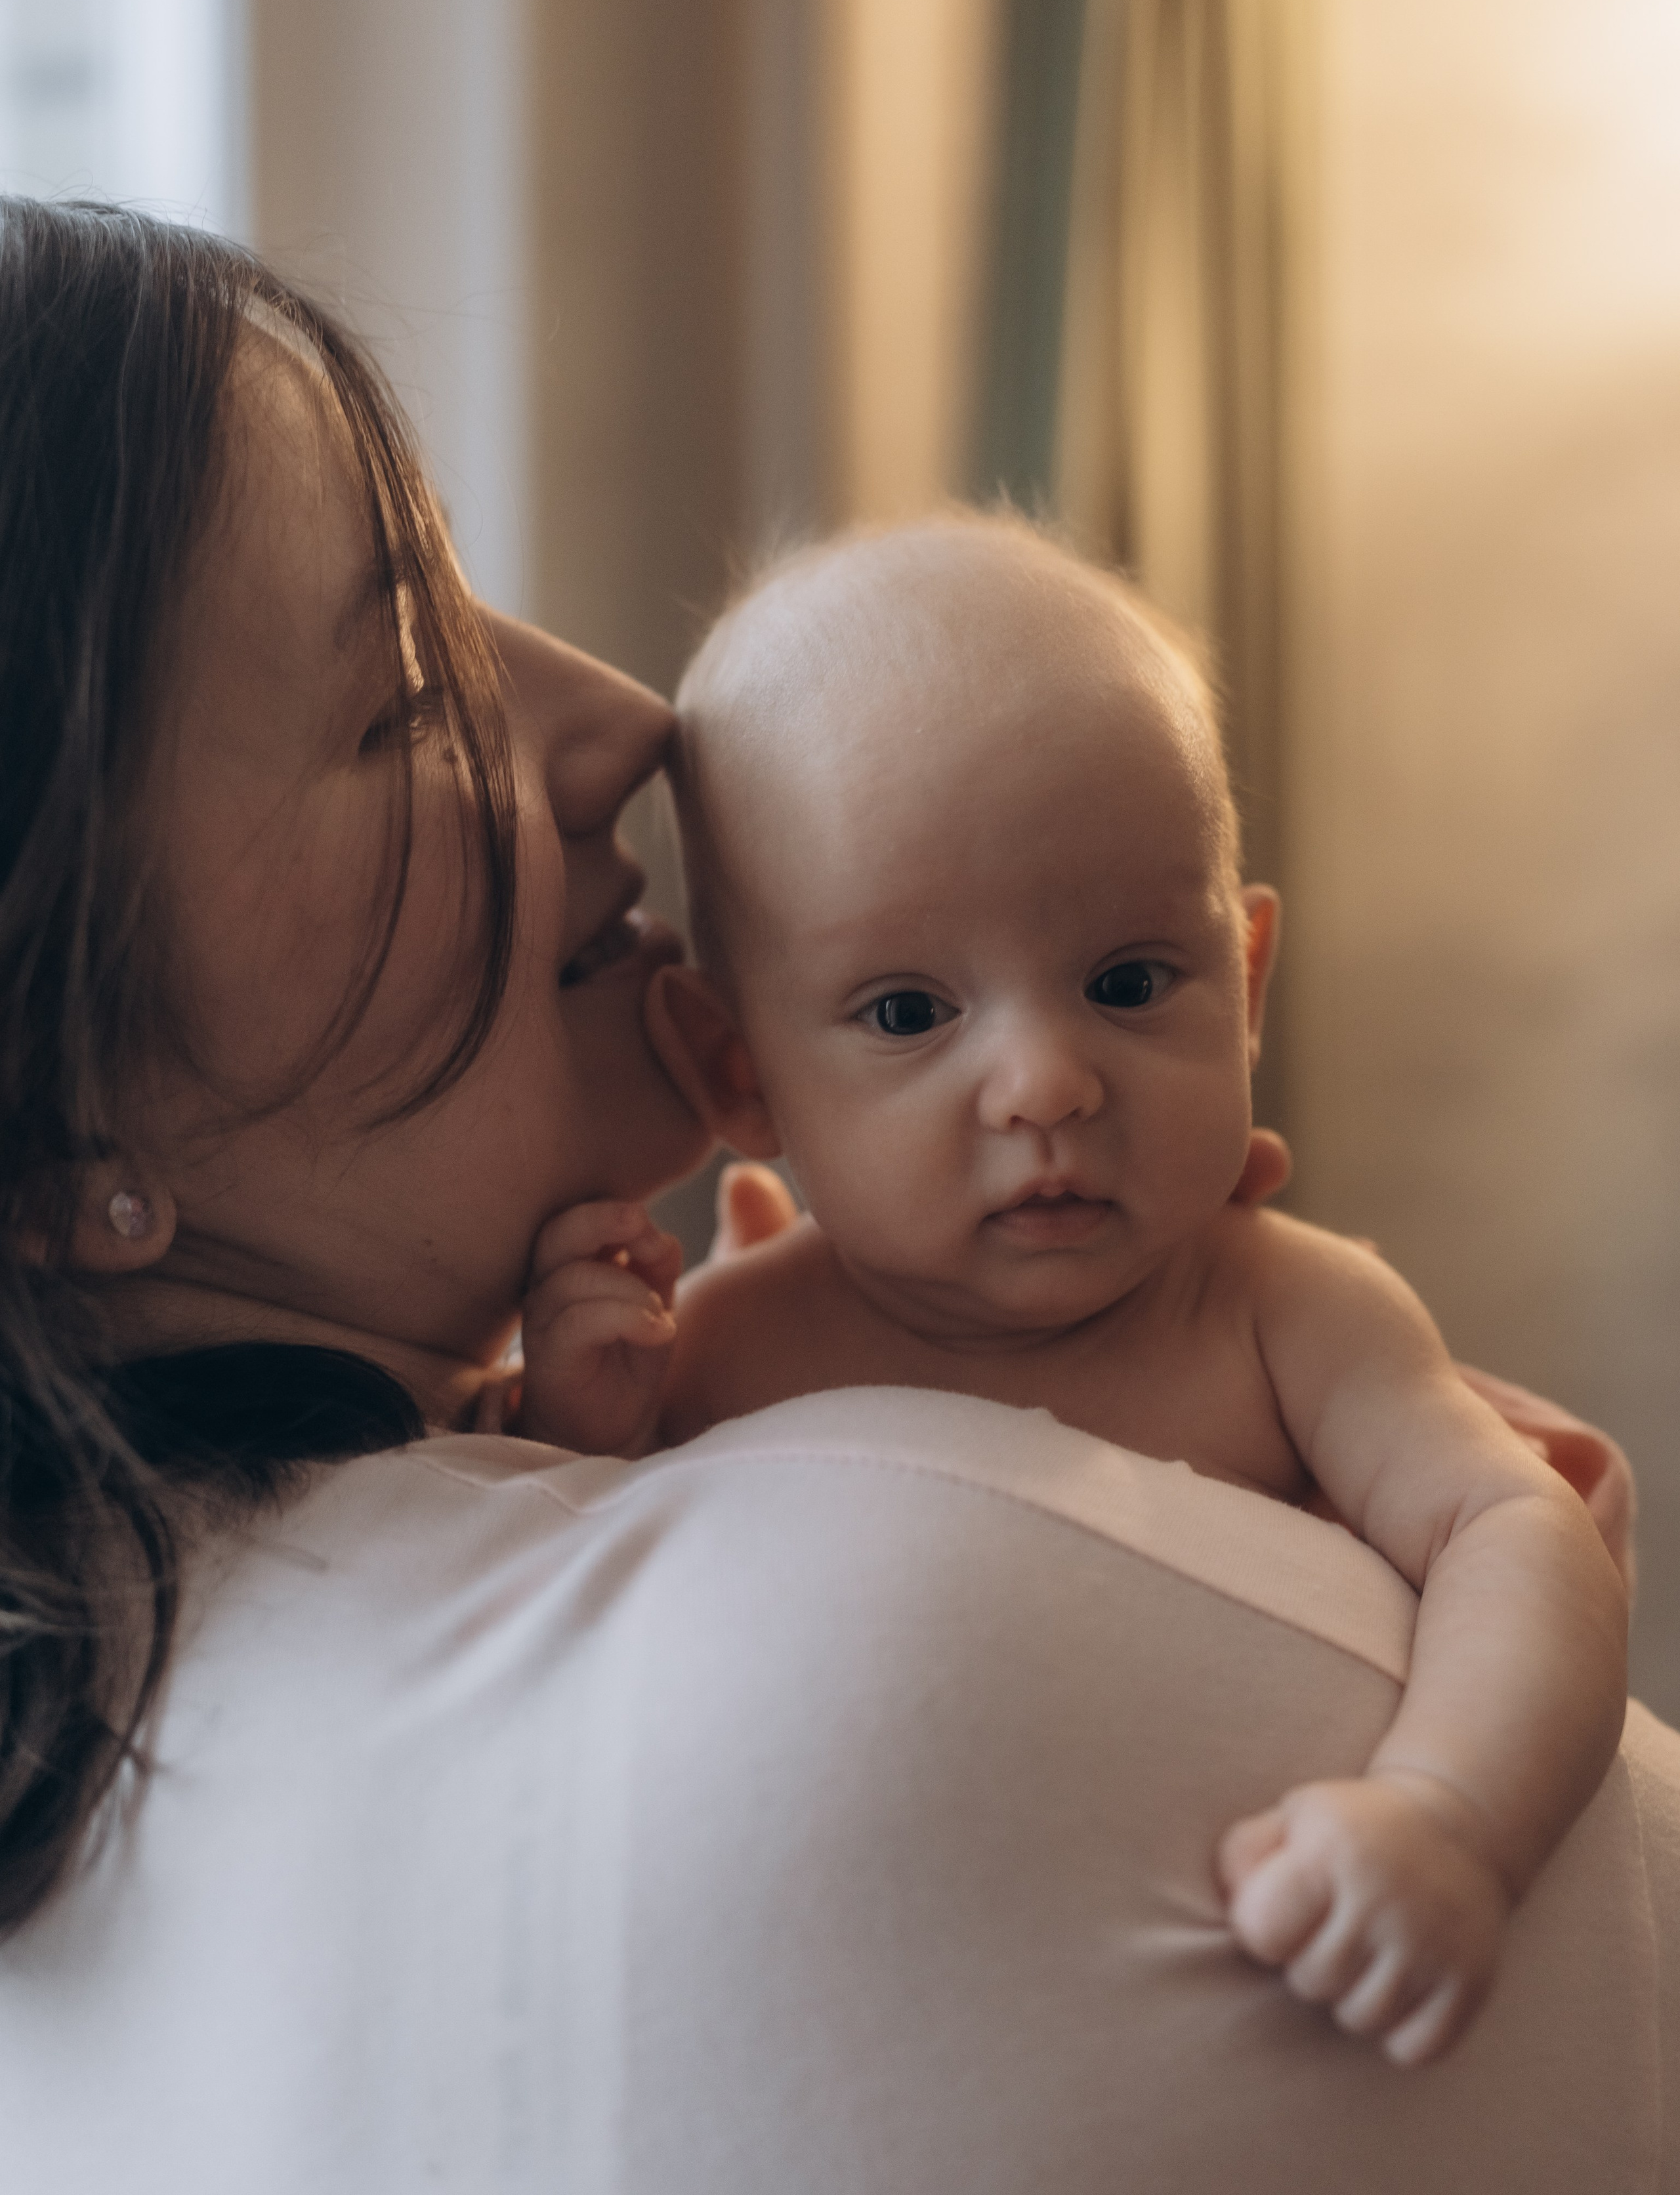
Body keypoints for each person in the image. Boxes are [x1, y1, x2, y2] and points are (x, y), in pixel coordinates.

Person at [0, 199, 1675, 2194]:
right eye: (406, 701)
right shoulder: (890, 1615)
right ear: (53, 1126)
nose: (629, 721)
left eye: (1131, 981)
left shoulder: (104, 1783)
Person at [516, 516, 1628, 2063]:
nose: (1044, 1081)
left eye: (1124, 981)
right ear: (735, 1073)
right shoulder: (726, 1344)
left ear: (1240, 985)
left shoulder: (1279, 1312)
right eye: (907, 1010)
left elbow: (1521, 1530)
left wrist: (1448, 1817)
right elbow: (543, 1647)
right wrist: (576, 1423)